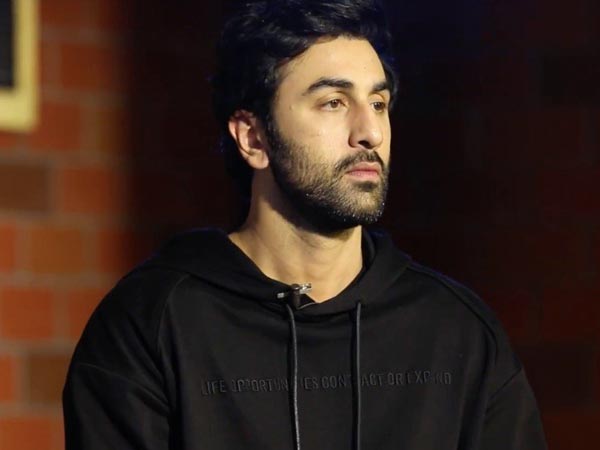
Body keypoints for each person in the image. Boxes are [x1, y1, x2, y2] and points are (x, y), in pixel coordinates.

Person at [62, 0, 548, 449]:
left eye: (378, 104)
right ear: (253, 138)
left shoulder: (459, 333)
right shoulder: (150, 324)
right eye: (334, 102)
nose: (370, 133)